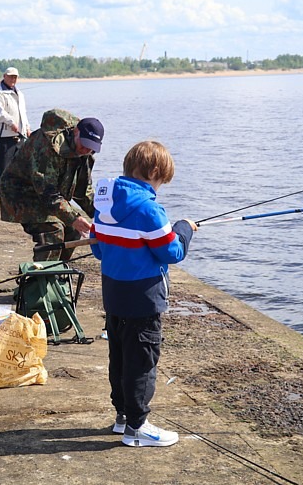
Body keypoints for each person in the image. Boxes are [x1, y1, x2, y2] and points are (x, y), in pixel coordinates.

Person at [90, 141, 197, 448]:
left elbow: (97, 248)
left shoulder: (104, 204)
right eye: (161, 180)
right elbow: (172, 252)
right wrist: (184, 228)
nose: (160, 187)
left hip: (114, 295)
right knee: (143, 362)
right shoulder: (150, 210)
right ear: (153, 172)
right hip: (143, 298)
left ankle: (122, 416)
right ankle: (137, 428)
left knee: (120, 357)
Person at [0, 109, 102, 261]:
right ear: (76, 132)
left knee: (73, 230)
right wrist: (73, 217)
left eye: (92, 147)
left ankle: (56, 274)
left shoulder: (84, 153)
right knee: (53, 231)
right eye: (85, 144)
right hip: (21, 193)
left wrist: (106, 215)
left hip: (46, 195)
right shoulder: (47, 147)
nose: (86, 150)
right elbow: (47, 192)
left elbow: (83, 191)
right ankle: (41, 280)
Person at [0, 67, 30, 197]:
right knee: (3, 163)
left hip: (20, 134)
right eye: (11, 76)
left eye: (15, 77)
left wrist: (27, 127)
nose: (13, 79)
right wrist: (11, 123)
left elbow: (23, 113)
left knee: (20, 165)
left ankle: (14, 188)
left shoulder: (20, 93)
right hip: (5, 134)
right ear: (4, 76)